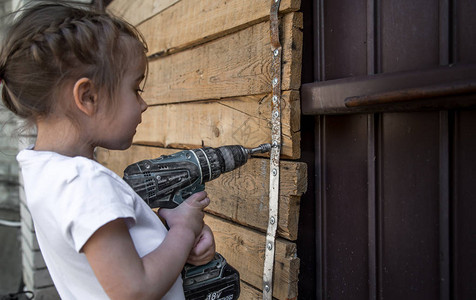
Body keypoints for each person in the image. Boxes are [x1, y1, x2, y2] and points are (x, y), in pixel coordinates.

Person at [0, 2, 215, 299]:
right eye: (135, 88)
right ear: (88, 96)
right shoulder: (83, 182)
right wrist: (184, 230)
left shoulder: (43, 170)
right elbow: (134, 290)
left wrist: (168, 233)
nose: (143, 104)